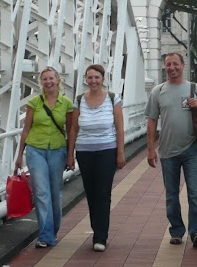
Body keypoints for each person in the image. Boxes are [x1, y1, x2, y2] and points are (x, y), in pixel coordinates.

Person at [145, 52, 197, 248]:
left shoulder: (193, 88)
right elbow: (151, 122)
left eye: (175, 64)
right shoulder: (158, 92)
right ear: (164, 67)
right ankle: (176, 230)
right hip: (167, 151)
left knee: (195, 192)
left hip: (191, 148)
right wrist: (151, 149)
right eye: (168, 65)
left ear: (183, 65)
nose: (172, 68)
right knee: (171, 195)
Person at [66, 64, 125, 252]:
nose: (93, 81)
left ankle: (101, 236)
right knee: (90, 193)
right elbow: (74, 128)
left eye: (96, 78)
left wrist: (120, 153)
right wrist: (70, 155)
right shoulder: (79, 100)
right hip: (84, 151)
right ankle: (96, 229)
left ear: (103, 79)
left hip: (107, 150)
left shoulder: (112, 99)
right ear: (86, 79)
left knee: (103, 192)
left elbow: (119, 127)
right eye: (89, 78)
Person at [16, 67, 74, 248]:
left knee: (55, 192)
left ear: (57, 80)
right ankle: (45, 235)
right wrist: (19, 155)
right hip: (36, 149)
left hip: (57, 149)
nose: (48, 82)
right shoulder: (34, 103)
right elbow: (26, 129)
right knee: (41, 192)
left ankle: (53, 230)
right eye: (44, 79)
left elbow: (71, 131)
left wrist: (70, 155)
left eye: (51, 78)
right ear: (41, 82)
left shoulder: (67, 104)